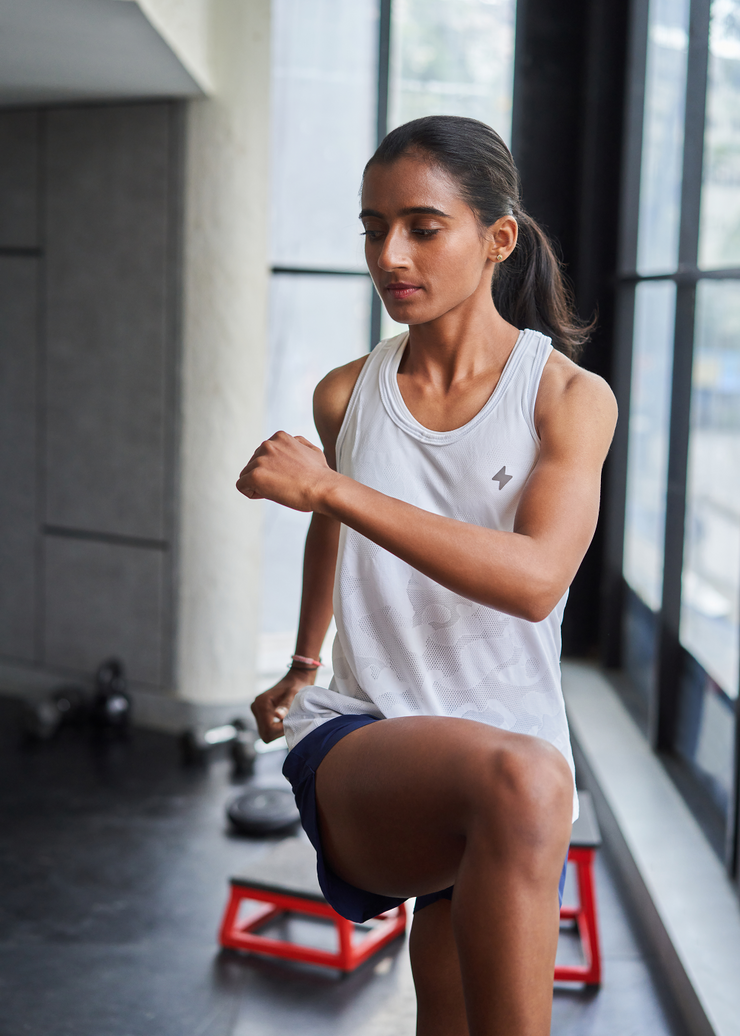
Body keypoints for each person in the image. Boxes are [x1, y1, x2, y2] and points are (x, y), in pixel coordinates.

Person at [237, 115, 617, 1036]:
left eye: (421, 225)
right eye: (373, 228)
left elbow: (535, 580)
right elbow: (333, 528)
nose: (390, 254)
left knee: (449, 1013)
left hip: (508, 772)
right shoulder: (347, 393)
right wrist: (302, 659)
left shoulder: (568, 398)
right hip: (371, 742)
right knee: (528, 781)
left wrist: (332, 486)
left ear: (497, 238)